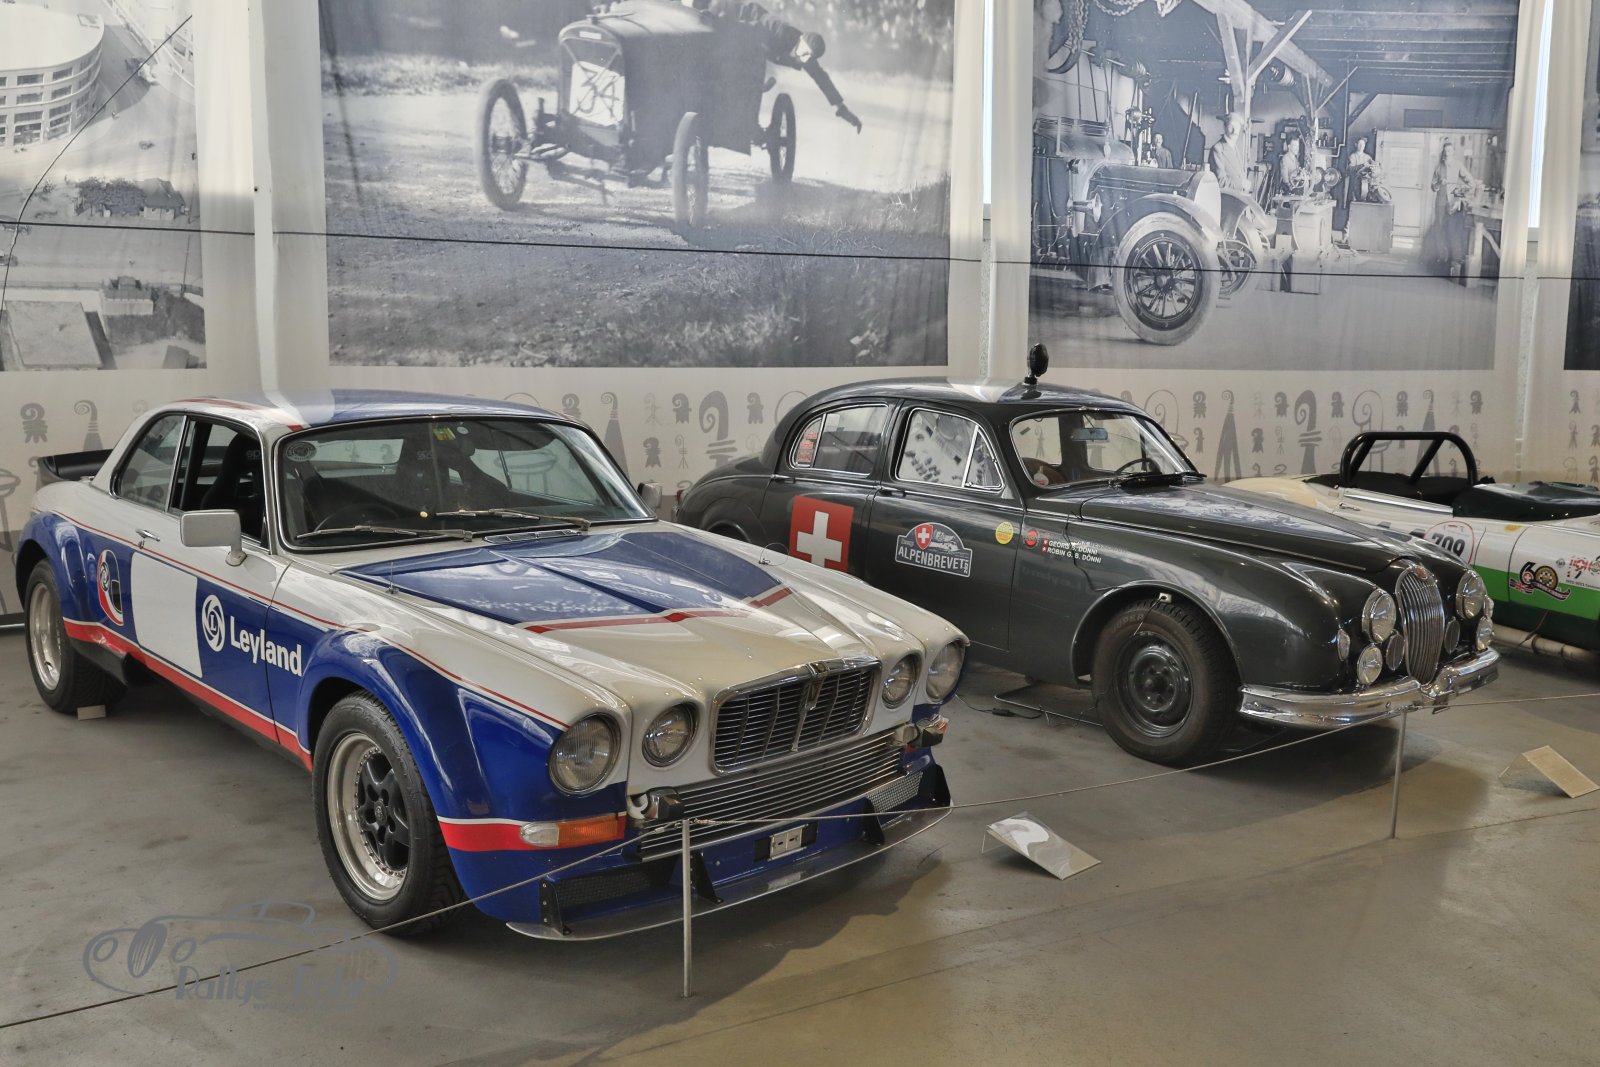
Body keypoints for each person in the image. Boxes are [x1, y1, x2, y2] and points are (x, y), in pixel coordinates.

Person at [696, 0, 862, 132]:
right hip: (738, 14)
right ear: (801, 40)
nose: (803, 58)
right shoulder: (780, 31)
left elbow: (821, 78)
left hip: (751, 39)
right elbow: (752, 30)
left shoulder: (805, 56)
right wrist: (719, 21)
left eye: (808, 57)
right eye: (804, 52)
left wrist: (842, 108)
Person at [1425, 141, 1477, 274]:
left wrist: (1459, 192)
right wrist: (1439, 183)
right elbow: (1433, 187)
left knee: (1453, 231)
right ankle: (1442, 257)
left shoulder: (1458, 165)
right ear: (1443, 152)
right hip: (1440, 203)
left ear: (1453, 152)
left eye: (1450, 150)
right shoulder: (1439, 167)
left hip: (1453, 203)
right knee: (1439, 229)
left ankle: (1454, 260)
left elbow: (1471, 183)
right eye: (1446, 150)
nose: (1448, 153)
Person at [1209, 112, 1249, 194]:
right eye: (1231, 126)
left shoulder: (1235, 148)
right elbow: (1221, 182)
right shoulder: (1218, 149)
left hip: (1238, 196)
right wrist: (1242, 184)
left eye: (1237, 126)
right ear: (1225, 127)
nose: (1234, 130)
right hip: (1226, 199)